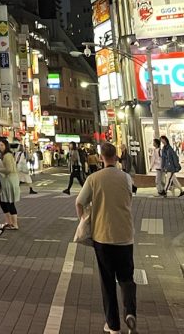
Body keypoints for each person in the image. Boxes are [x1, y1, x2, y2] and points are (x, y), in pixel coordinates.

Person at [77, 142, 137, 334]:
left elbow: (79, 202)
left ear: (101, 157)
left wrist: (85, 218)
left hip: (102, 235)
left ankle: (113, 326)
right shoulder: (126, 177)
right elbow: (129, 197)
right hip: (125, 235)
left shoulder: (94, 178)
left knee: (107, 280)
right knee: (127, 277)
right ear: (116, 156)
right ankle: (130, 311)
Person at [0, 137, 20, 230]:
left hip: (9, 181)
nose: (1, 147)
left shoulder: (7, 155)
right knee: (4, 201)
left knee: (9, 202)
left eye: (2, 145)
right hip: (7, 181)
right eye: (0, 145)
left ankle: (14, 223)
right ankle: (9, 222)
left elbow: (9, 169)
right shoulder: (6, 155)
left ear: (6, 146)